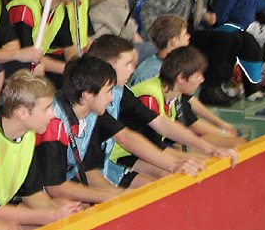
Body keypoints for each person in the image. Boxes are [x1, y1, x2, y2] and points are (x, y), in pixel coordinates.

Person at [35, 56, 204, 204]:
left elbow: (91, 166)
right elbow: (55, 187)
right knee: (74, 207)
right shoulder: (54, 122)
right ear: (87, 94)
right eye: (108, 91)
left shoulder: (91, 113)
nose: (111, 98)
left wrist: (117, 193)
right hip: (40, 192)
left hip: (69, 181)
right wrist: (113, 195)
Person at [86, 35, 236, 187]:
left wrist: (211, 150)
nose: (132, 70)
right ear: (107, 65)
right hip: (104, 163)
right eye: (128, 64)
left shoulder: (120, 91)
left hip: (107, 162)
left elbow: (160, 122)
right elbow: (126, 138)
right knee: (165, 181)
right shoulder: (92, 100)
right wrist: (174, 165)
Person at [0, 70, 84, 230]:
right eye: (46, 108)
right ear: (21, 113)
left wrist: (60, 215)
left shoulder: (28, 135)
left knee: (63, 206)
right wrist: (50, 216)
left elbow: (31, 192)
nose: (53, 114)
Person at [139, 0, 245, 106]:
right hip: (173, 34)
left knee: (234, 38)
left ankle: (219, 85)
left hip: (186, 30)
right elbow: (150, 9)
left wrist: (204, 14)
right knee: (223, 40)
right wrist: (155, 38)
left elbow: (190, 5)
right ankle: (210, 89)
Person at [127, 14, 241, 144]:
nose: (189, 36)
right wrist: (221, 133)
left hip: (171, 129)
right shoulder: (153, 72)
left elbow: (188, 102)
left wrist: (220, 124)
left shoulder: (175, 66)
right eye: (185, 34)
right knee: (232, 143)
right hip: (157, 136)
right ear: (174, 41)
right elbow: (182, 121)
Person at [126, 45, 244, 155]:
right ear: (181, 78)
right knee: (206, 163)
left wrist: (210, 148)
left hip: (156, 146)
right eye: (198, 76)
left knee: (237, 145)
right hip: (132, 154)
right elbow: (151, 148)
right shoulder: (150, 98)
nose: (202, 80)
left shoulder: (173, 89)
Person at [7, 0, 83, 82]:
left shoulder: (60, 9)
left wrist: (78, 67)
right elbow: (26, 54)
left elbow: (68, 46)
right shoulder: (24, 9)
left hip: (37, 59)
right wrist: (69, 71)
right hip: (14, 63)